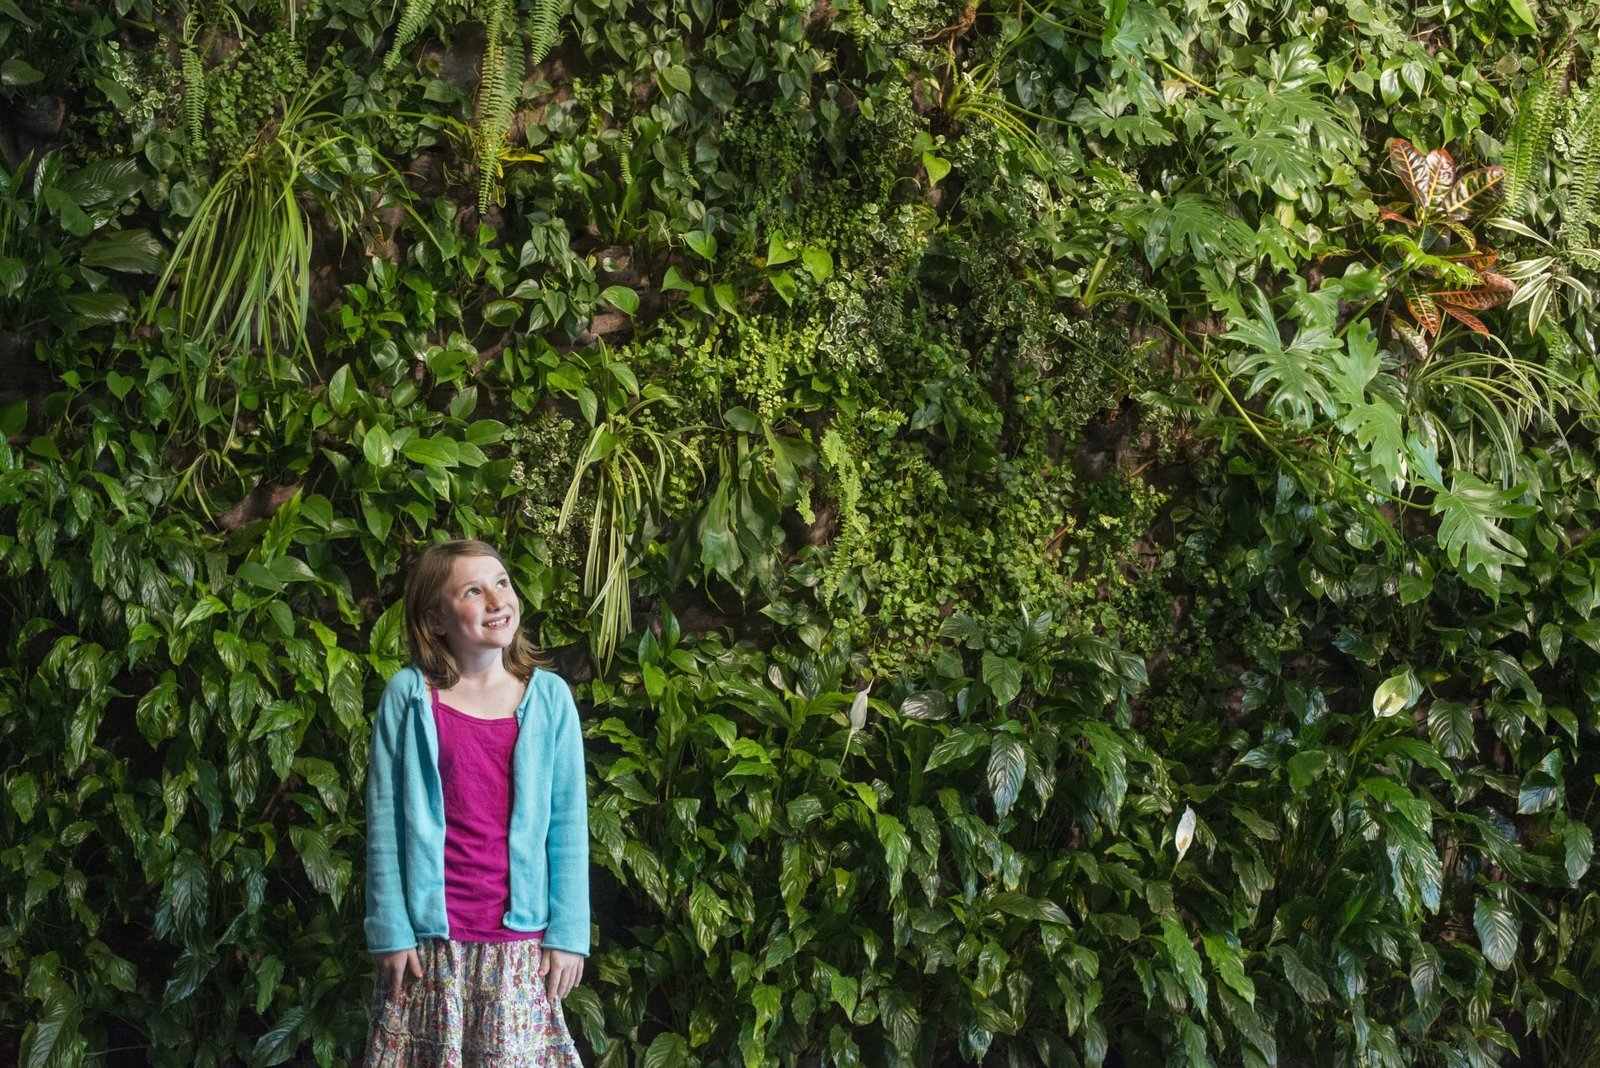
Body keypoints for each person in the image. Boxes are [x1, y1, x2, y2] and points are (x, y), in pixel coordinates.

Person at [364, 538, 589, 1066]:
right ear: (435, 618)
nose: (496, 599)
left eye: (503, 583)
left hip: (521, 948)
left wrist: (570, 934)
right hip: (427, 947)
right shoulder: (409, 697)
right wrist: (390, 930)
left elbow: (567, 825)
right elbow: (383, 823)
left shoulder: (550, 698)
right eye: (473, 590)